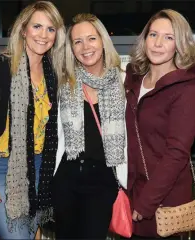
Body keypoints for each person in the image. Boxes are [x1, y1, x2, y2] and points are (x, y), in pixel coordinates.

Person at [0, 1, 65, 239]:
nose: (43, 35)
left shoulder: (53, 75)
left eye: (50, 29)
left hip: (40, 170)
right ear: (23, 29)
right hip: (3, 168)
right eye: (37, 26)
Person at [124, 9, 195, 239]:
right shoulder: (134, 78)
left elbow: (177, 153)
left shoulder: (187, 88)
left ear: (179, 44)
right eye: (153, 35)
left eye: (169, 37)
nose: (158, 44)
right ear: (144, 38)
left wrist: (146, 202)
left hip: (160, 204)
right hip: (130, 193)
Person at [53, 13, 126, 239]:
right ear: (72, 48)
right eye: (78, 41)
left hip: (103, 181)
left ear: (103, 40)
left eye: (91, 39)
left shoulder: (124, 82)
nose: (86, 47)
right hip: (67, 178)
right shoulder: (65, 82)